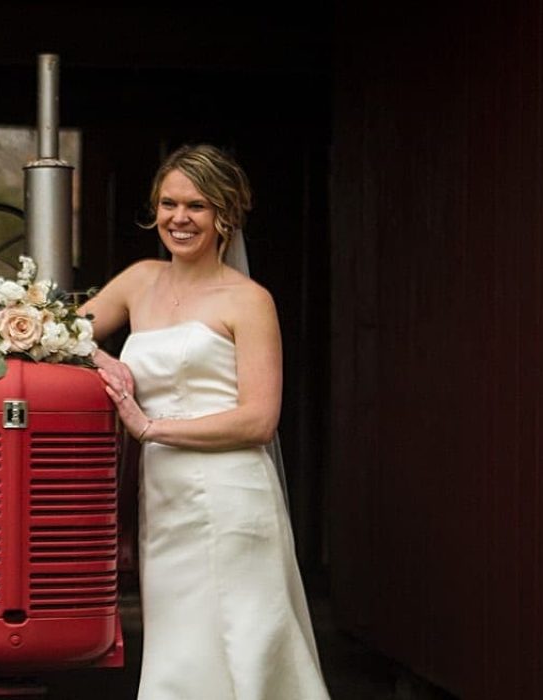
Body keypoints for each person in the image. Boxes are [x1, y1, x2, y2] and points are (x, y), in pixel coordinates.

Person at [79, 145, 328, 699]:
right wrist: (100, 357)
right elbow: (56, 334)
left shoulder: (249, 300)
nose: (179, 218)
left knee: (244, 640)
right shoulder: (139, 281)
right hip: (164, 498)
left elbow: (260, 419)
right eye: (168, 203)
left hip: (233, 495)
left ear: (225, 215)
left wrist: (150, 428)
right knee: (180, 645)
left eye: (197, 205)